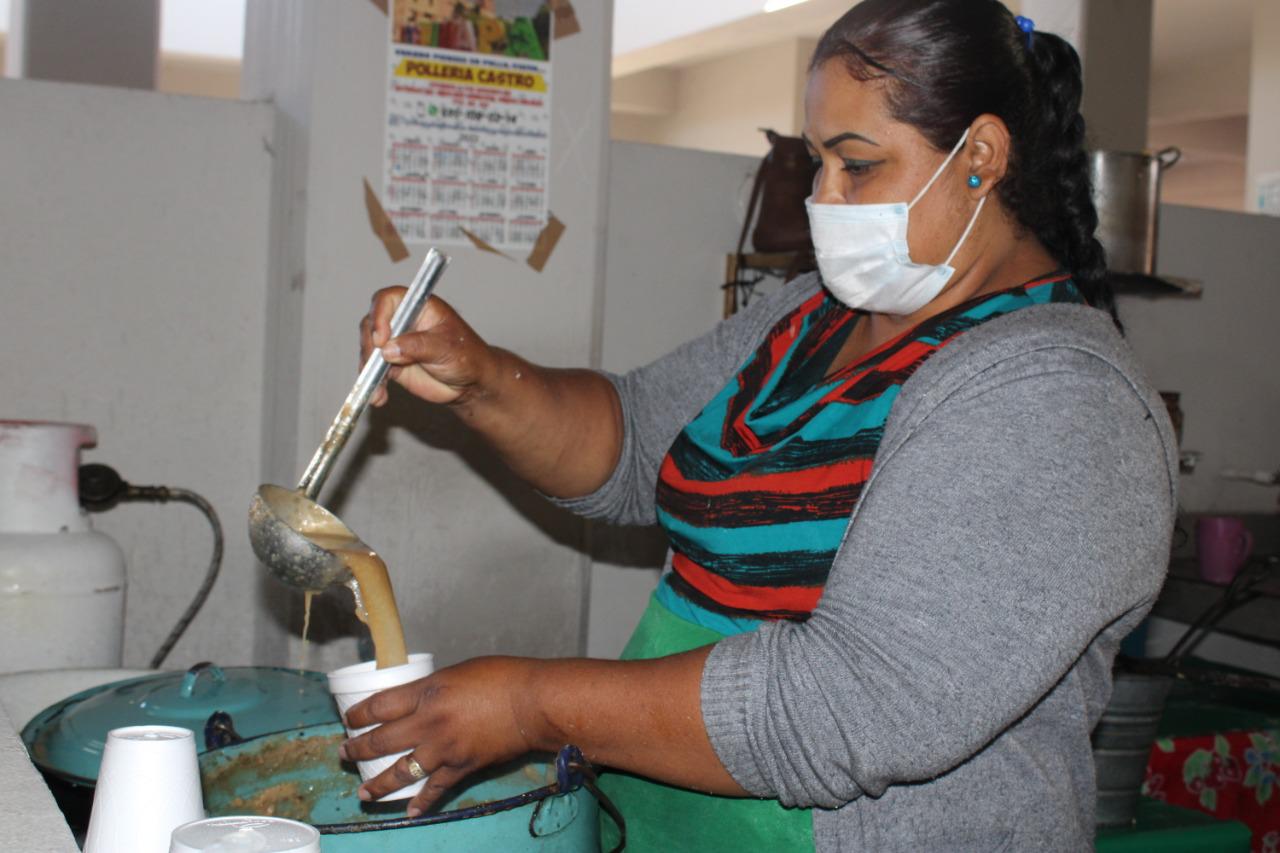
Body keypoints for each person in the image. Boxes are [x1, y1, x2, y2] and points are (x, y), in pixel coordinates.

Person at [340, 0, 1177, 849]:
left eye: (858, 164)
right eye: (819, 162)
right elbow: (631, 442)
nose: (824, 198)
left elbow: (849, 707)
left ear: (982, 156)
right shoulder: (814, 315)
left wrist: (531, 705)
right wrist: (481, 378)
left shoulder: (1060, 400)